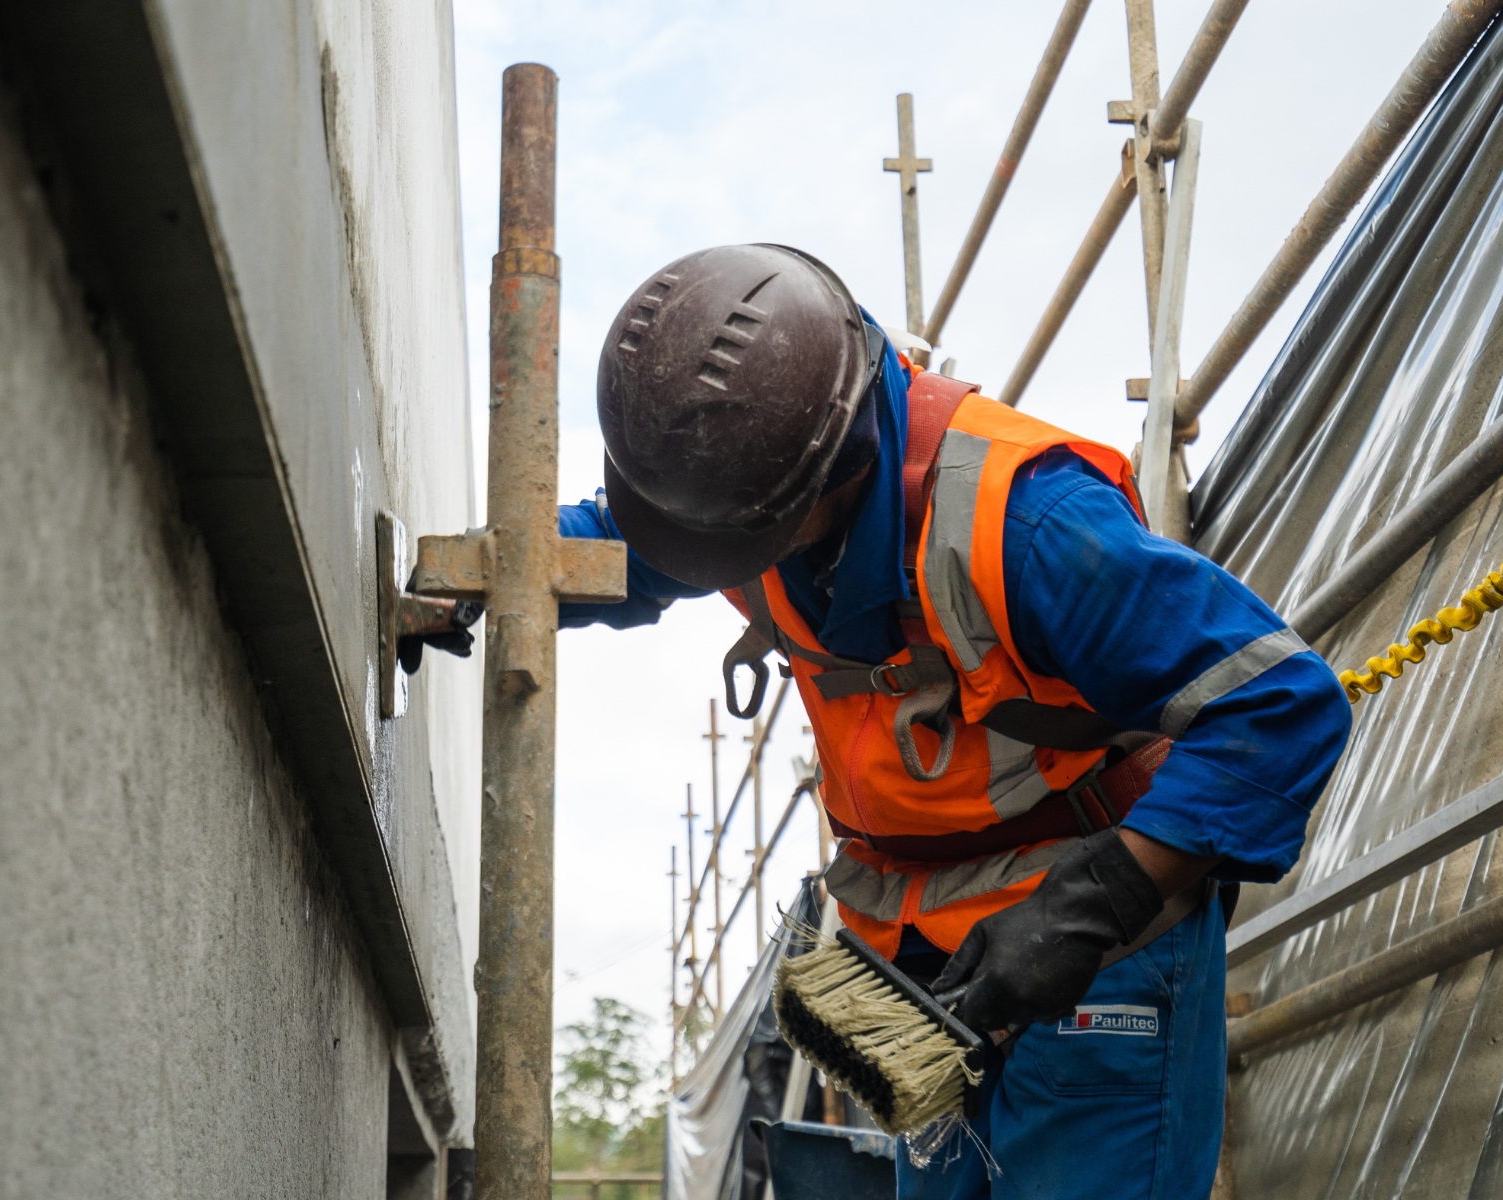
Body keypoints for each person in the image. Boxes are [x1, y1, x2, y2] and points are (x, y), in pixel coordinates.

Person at [556, 244, 1352, 1199]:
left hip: (1093, 953)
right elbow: (634, 543)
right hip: (928, 977)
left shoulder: (1027, 523)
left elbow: (1283, 703)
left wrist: (1093, 905)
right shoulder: (749, 497)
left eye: (739, 539)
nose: (723, 561)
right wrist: (486, 573)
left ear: (836, 470)